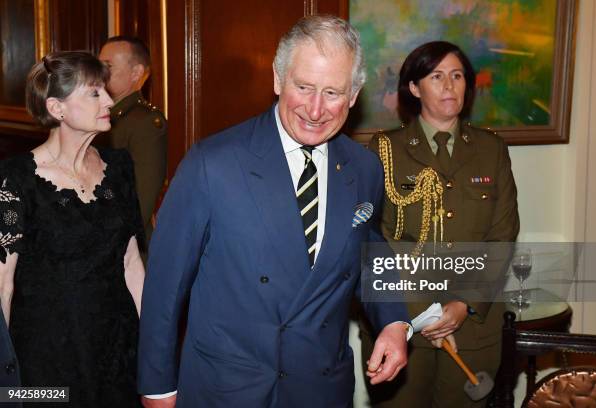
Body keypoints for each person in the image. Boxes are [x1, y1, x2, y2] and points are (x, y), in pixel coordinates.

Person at [138, 15, 410, 408]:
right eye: (304, 87)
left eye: (333, 93)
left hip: (320, 387)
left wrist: (395, 322)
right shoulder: (212, 163)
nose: (316, 110)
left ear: (354, 95)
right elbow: (165, 285)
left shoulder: (364, 168)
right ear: (278, 80)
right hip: (230, 388)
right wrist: (157, 386)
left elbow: (369, 251)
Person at [363, 41, 519, 407]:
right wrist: (423, 312)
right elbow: (373, 240)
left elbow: (502, 236)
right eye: (436, 76)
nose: (450, 86)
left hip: (473, 327)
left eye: (457, 76)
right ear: (414, 89)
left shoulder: (491, 149)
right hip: (403, 325)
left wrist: (463, 303)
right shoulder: (384, 149)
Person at [0, 51, 145, 407]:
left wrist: (154, 343)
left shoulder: (119, 167)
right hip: (45, 360)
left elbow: (131, 263)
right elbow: (3, 284)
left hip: (117, 349)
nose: (109, 100)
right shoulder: (16, 179)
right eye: (94, 93)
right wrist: (5, 380)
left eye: (105, 91)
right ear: (57, 108)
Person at [99, 36, 167, 248]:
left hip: (123, 245)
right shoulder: (96, 114)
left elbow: (140, 201)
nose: (99, 73)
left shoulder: (145, 123)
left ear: (136, 73)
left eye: (107, 66)